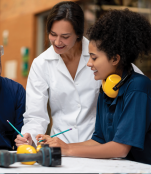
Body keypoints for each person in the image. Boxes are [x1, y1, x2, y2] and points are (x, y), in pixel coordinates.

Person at [15, 1, 142, 147]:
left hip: (99, 147)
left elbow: (136, 80)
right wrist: (29, 136)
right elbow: (36, 116)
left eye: (65, 36)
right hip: (61, 148)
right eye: (53, 34)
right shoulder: (41, 64)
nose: (57, 42)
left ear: (78, 34)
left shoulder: (101, 55)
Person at [37, 9, 151, 165]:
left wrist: (68, 150)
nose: (89, 63)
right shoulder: (107, 88)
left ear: (115, 59)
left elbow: (120, 149)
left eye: (94, 57)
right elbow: (99, 140)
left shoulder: (138, 87)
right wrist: (60, 146)